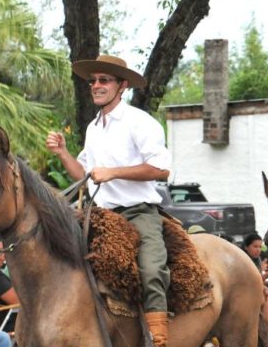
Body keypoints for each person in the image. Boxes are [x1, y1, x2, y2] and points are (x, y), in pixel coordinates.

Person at [45, 55, 172, 347]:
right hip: (100, 215)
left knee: (152, 271)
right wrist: (64, 153)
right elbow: (85, 176)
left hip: (139, 212)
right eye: (93, 81)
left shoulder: (140, 122)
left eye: (104, 80)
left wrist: (113, 173)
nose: (96, 85)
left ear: (122, 85)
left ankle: (159, 340)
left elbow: (161, 170)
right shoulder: (93, 128)